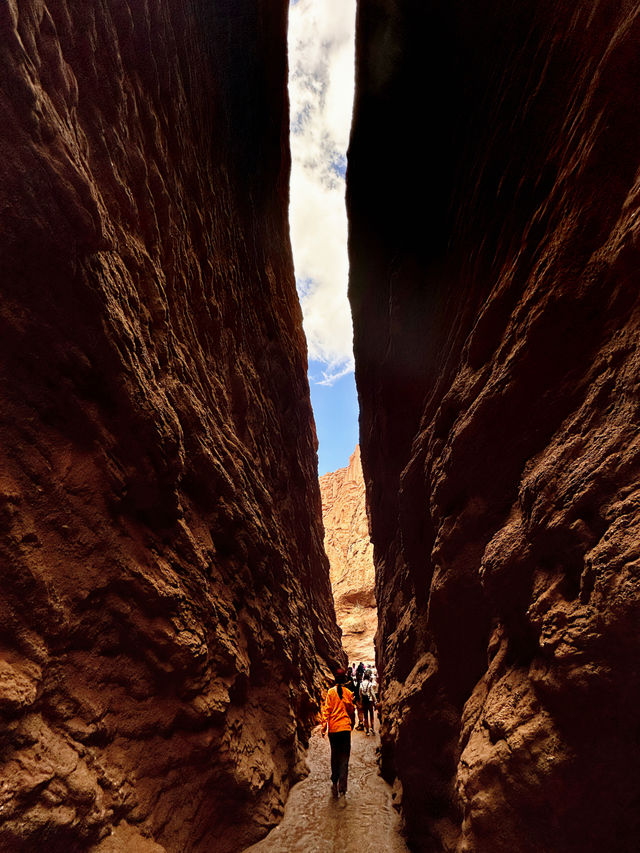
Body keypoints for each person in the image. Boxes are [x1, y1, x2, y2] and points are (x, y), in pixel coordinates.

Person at [320, 668, 355, 797]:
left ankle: (334, 783)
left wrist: (324, 727)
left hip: (334, 730)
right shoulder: (348, 693)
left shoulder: (330, 693)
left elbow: (326, 710)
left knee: (335, 756)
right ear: (345, 680)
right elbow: (351, 711)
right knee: (345, 758)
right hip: (345, 729)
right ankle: (343, 787)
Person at [359, 668, 377, 735]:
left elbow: (360, 694)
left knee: (365, 715)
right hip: (370, 701)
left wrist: (361, 702)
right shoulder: (370, 684)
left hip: (364, 701)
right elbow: (372, 693)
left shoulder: (361, 684)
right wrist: (375, 701)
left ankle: (367, 731)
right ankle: (372, 728)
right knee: (371, 715)